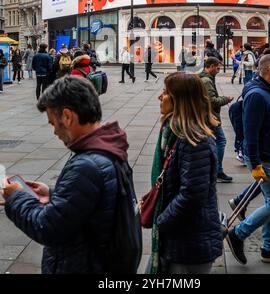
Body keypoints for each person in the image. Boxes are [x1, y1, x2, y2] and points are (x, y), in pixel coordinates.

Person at [2, 75, 129, 274]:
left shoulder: (86, 166)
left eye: (53, 123)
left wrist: (16, 198)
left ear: (68, 117)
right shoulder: (109, 147)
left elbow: (47, 228)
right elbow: (91, 201)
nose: (54, 132)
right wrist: (53, 194)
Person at [148, 72, 223, 274]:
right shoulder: (174, 132)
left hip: (189, 243)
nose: (160, 97)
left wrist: (161, 220)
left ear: (179, 100)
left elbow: (192, 195)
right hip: (180, 237)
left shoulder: (193, 140)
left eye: (164, 93)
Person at [227, 55, 270, 265]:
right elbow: (251, 131)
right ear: (268, 71)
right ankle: (238, 234)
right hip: (264, 158)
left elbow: (264, 118)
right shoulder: (257, 94)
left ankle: (268, 247)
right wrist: (256, 163)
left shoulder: (268, 90)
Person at [200, 57, 234, 182]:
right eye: (218, 68)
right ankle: (217, 170)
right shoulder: (206, 80)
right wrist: (226, 99)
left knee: (211, 143)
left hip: (207, 115)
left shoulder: (205, 78)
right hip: (210, 116)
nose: (219, 71)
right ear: (211, 66)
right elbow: (212, 101)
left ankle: (211, 169)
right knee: (221, 141)